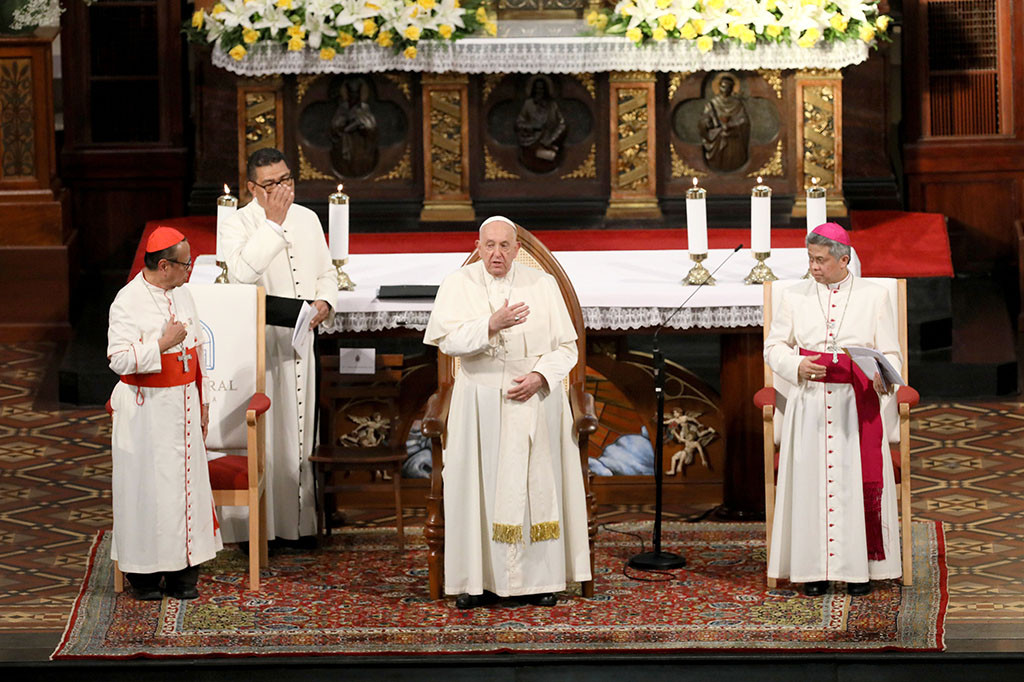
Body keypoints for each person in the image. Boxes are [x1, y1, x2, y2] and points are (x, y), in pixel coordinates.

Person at [424, 216, 591, 609]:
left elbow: (567, 349)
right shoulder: (457, 284)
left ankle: (540, 580)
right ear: (478, 247)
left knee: (536, 491)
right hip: (479, 402)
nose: (497, 253)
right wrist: (491, 324)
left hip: (535, 397)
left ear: (518, 250)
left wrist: (539, 375)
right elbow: (448, 342)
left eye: (505, 246)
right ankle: (475, 581)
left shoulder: (544, 286)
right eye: (489, 246)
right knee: (477, 489)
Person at [764, 222, 903, 597]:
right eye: (810, 259)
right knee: (812, 488)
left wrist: (882, 375)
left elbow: (891, 354)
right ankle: (814, 571)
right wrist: (795, 366)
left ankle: (860, 572)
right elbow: (773, 346)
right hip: (809, 403)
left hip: (855, 407)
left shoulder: (874, 296)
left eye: (821, 260)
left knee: (853, 485)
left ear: (844, 259)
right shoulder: (794, 297)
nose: (814, 267)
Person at [221, 148, 338, 543]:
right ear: (252, 188)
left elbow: (327, 272)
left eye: (286, 179)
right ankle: (266, 531)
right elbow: (239, 276)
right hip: (264, 345)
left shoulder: (307, 218)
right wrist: (271, 224)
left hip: (303, 341)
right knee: (274, 435)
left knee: (304, 436)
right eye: (271, 184)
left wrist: (326, 301)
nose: (282, 189)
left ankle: (303, 527)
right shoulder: (239, 224)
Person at [107, 227, 222, 600]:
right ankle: (143, 578)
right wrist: (161, 344)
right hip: (147, 414)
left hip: (185, 408)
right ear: (163, 264)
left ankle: (184, 575)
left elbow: (199, 351)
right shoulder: (127, 301)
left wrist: (204, 404)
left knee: (186, 491)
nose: (190, 271)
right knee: (149, 492)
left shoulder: (184, 294)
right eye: (185, 264)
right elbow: (119, 359)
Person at [697, 74, 750, 172]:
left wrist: (732, 125)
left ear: (732, 88)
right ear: (719, 87)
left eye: (728, 87)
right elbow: (704, 120)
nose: (725, 89)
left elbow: (744, 121)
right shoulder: (712, 104)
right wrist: (707, 123)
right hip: (717, 138)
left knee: (734, 160)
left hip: (734, 139)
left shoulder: (737, 104)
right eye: (723, 86)